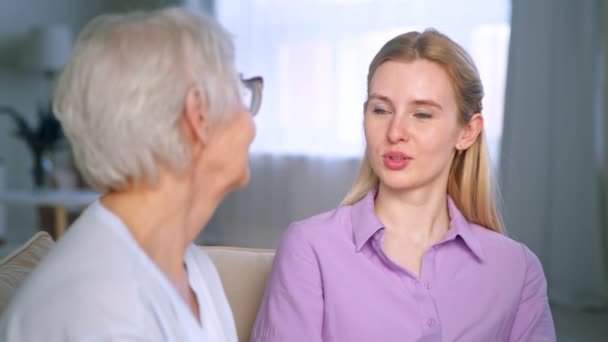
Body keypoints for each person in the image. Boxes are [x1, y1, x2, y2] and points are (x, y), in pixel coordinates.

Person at [252, 29, 556, 341]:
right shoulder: (310, 248)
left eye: (422, 114)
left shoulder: (516, 270)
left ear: (467, 132)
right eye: (381, 110)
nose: (395, 131)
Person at [0, 7, 263, 341]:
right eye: (241, 95)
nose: (252, 125)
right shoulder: (99, 309)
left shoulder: (196, 270)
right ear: (199, 115)